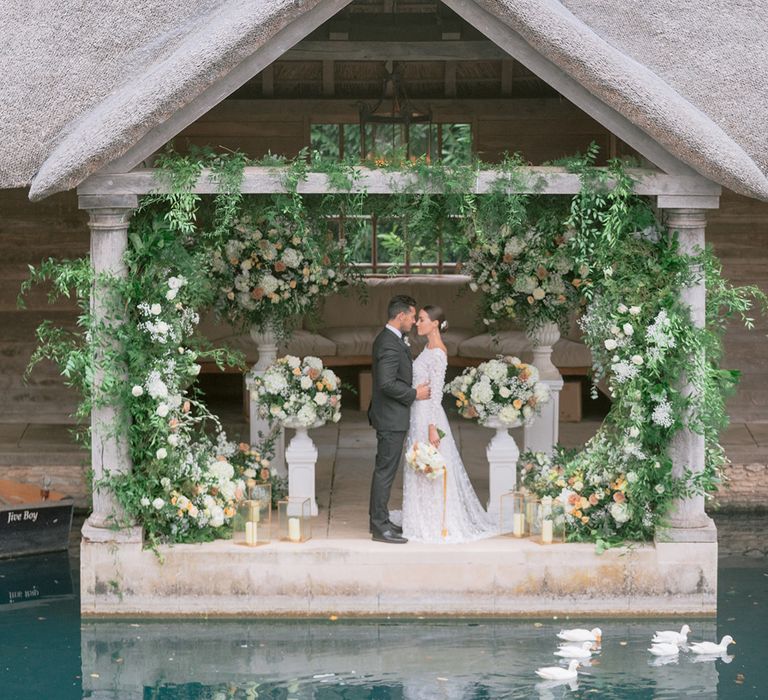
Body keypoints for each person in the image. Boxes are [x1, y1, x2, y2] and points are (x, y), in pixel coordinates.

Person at [401, 305, 497, 543]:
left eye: (421, 319)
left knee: (429, 463)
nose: (417, 323)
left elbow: (436, 395)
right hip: (418, 412)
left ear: (435, 324)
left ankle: (436, 520)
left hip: (428, 415)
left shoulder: (438, 353)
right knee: (418, 462)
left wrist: (432, 427)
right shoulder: (427, 347)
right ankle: (420, 514)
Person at [368, 295, 431, 544]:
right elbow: (386, 383)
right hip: (390, 417)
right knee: (385, 471)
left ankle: (381, 520)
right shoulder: (388, 343)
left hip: (392, 416)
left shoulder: (393, 339)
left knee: (386, 470)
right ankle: (378, 527)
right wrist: (415, 394)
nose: (414, 321)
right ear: (401, 315)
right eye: (412, 316)